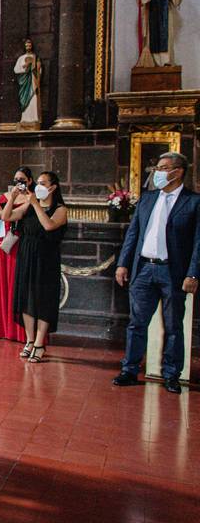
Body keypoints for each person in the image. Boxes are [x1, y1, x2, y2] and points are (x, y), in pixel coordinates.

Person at [113, 152, 199, 394]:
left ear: (178, 171)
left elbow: (198, 242)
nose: (157, 173)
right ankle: (129, 370)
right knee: (136, 323)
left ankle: (172, 374)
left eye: (163, 168)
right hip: (143, 270)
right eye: (157, 167)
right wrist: (123, 263)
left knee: (173, 326)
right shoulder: (148, 198)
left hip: (173, 271)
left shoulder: (193, 202)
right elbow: (133, 234)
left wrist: (193, 274)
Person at [3, 170, 67, 363]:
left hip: (46, 259)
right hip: (26, 255)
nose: (38, 186)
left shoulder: (60, 209)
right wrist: (12, 198)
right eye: (37, 182)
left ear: (53, 187)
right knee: (26, 298)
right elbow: (7, 217)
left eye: (43, 183)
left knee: (43, 300)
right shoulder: (28, 206)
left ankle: (40, 343)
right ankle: (30, 340)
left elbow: (48, 225)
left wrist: (35, 204)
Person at [0, 167, 32, 342]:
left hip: (23, 243)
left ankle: (22, 331)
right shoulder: (5, 197)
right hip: (6, 243)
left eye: (22, 179)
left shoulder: (33, 198)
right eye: (15, 179)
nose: (18, 182)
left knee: (19, 285)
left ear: (29, 181)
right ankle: (4, 327)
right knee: (5, 283)